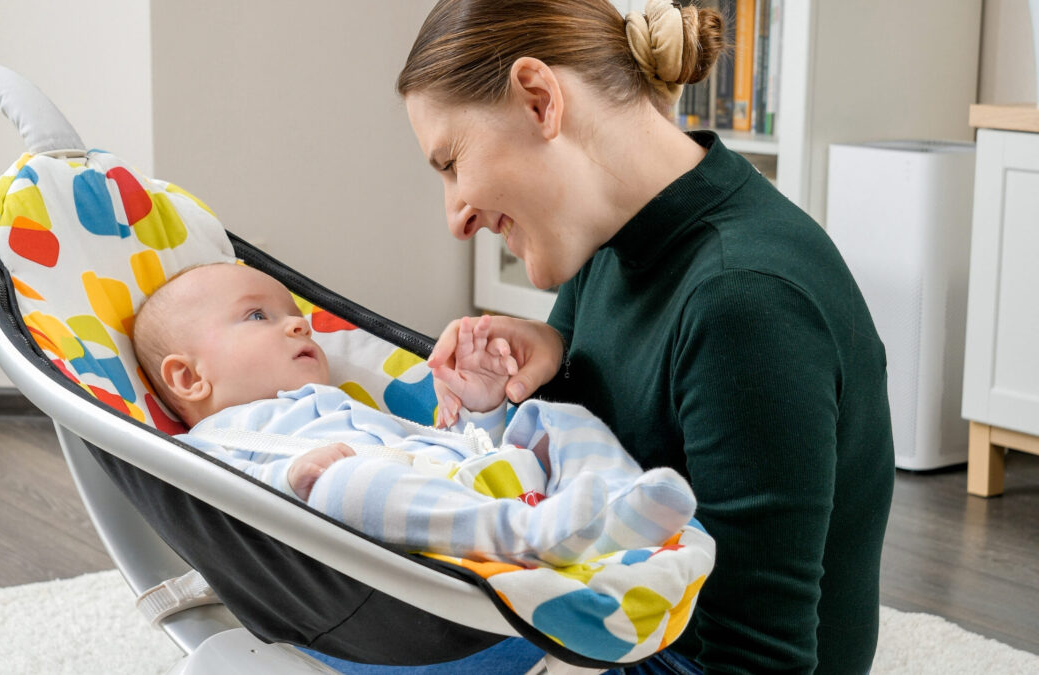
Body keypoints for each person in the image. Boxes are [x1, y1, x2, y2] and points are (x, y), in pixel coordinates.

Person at [398, 0, 895, 673]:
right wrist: (548, 356)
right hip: (622, 625)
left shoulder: (744, 302)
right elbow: (592, 456)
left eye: (452, 162)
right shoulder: (615, 235)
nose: (455, 217)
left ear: (540, 100)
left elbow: (758, 659)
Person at [131, 261, 698, 568]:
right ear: (189, 377)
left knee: (556, 421)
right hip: (391, 530)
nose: (298, 323)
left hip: (470, 486)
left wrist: (487, 412)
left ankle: (621, 503)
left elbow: (446, 453)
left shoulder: (345, 404)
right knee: (345, 482)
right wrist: (295, 477)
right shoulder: (216, 437)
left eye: (292, 311)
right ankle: (536, 536)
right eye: (257, 316)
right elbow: (224, 503)